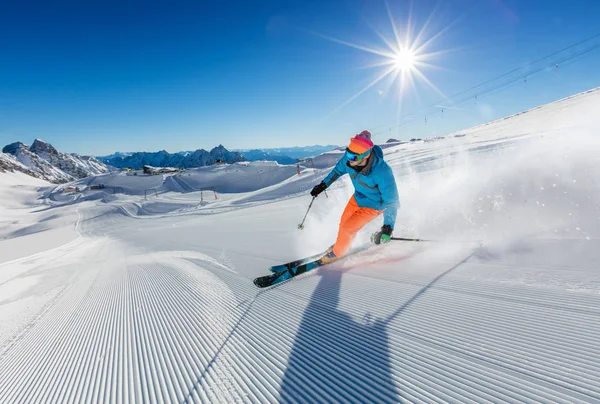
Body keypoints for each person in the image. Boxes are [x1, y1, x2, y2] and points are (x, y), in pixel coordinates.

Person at [310, 130, 400, 264]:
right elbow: (337, 171)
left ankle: (337, 253)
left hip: (374, 205)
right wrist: (323, 185)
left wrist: (387, 227)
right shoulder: (350, 159)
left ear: (365, 156)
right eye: (348, 154)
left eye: (353, 158)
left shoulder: (382, 171)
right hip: (358, 198)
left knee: (348, 228)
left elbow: (392, 202)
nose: (348, 160)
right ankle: (342, 245)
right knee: (343, 222)